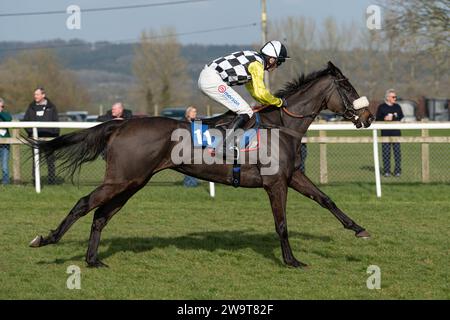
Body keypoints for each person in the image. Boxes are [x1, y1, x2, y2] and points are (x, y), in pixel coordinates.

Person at [198, 40, 289, 156]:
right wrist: (278, 101)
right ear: (272, 59)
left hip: (209, 77)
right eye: (279, 62)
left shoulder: (254, 59)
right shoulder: (257, 65)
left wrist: (265, 103)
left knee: (242, 110)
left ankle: (208, 127)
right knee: (245, 111)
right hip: (212, 79)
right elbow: (261, 93)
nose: (277, 66)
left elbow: (255, 92)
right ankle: (224, 146)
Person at [23, 87, 60, 185]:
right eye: (35, 94)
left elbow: (56, 122)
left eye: (37, 94)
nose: (35, 96)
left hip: (49, 138)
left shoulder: (51, 107)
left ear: (43, 95)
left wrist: (54, 136)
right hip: (35, 138)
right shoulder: (31, 107)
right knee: (36, 161)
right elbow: (25, 121)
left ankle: (51, 181)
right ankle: (36, 181)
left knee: (50, 161)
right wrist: (31, 132)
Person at [376, 89, 404, 177]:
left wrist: (395, 118)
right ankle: (387, 171)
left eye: (395, 97)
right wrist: (384, 119)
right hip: (385, 133)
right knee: (386, 153)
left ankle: (397, 171)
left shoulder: (398, 107)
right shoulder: (381, 107)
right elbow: (377, 119)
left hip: (396, 133)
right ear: (388, 97)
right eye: (393, 97)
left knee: (397, 153)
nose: (395, 98)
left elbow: (401, 118)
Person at [183, 106, 199, 187]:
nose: (195, 113)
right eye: (193, 111)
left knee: (195, 166)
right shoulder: (183, 123)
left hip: (196, 148)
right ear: (188, 113)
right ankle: (189, 184)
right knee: (189, 166)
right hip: (186, 148)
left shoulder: (197, 122)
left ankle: (192, 184)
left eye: (195, 111)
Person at [0, 98, 12, 185]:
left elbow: (9, 119)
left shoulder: (5, 115)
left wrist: (0, 113)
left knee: (4, 165)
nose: (1, 108)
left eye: (2, 106)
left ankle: (5, 182)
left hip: (5, 144)